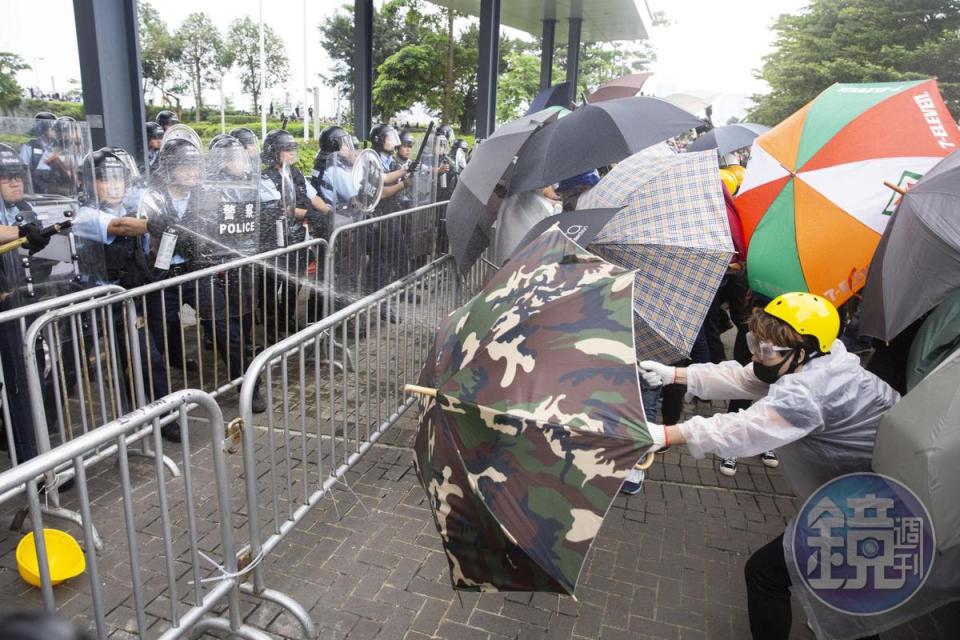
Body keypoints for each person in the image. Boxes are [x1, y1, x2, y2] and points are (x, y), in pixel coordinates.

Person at [633, 292, 899, 640]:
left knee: (766, 575)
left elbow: (744, 428)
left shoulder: (811, 392)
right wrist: (674, 375)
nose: (758, 354)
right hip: (861, 492)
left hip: (873, 502)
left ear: (801, 353)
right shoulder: (822, 357)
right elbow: (745, 378)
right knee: (845, 589)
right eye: (755, 343)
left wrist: (668, 434)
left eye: (767, 350)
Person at [139, 130, 266, 419]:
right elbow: (143, 239)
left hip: (197, 272)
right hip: (161, 279)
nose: (192, 172)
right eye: (185, 166)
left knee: (226, 330)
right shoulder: (151, 198)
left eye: (196, 166)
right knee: (155, 346)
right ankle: (160, 412)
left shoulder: (207, 195)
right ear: (169, 168)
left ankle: (249, 386)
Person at [74, 148, 170, 412]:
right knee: (75, 367)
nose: (114, 186)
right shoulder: (84, 215)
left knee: (148, 357)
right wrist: (156, 222)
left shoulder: (135, 208)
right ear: (88, 182)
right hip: (96, 304)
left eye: (119, 178)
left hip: (128, 299)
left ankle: (164, 414)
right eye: (105, 178)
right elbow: (121, 226)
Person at [0, 143, 53, 463]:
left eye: (17, 176)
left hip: (22, 302)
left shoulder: (24, 209)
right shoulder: (17, 220)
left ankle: (34, 454)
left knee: (29, 379)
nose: (14, 182)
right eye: (5, 177)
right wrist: (20, 231)